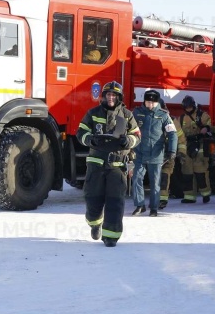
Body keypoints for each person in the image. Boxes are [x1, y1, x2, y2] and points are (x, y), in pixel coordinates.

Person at [76, 81, 141, 247]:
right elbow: (80, 133)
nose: (111, 97)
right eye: (108, 95)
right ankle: (94, 224)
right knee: (92, 200)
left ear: (119, 97)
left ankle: (111, 236)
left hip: (117, 167)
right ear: (103, 96)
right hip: (96, 166)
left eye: (114, 95)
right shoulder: (93, 113)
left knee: (115, 202)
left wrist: (129, 140)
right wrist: (90, 139)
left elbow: (137, 136)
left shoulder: (127, 115)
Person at [131, 89, 177, 217]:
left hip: (155, 154)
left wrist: (172, 150)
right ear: (144, 102)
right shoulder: (137, 113)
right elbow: (128, 128)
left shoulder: (164, 116)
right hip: (139, 153)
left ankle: (154, 208)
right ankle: (140, 205)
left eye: (153, 103)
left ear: (157, 103)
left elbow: (172, 134)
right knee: (137, 179)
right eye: (148, 102)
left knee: (155, 182)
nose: (150, 105)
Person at [178, 95, 214, 204]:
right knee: (187, 172)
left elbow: (212, 124)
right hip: (187, 145)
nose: (188, 109)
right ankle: (189, 196)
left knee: (200, 171)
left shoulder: (201, 115)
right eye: (186, 107)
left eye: (190, 107)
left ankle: (205, 194)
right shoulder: (182, 118)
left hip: (200, 145)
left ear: (193, 105)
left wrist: (206, 128)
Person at [158, 98, 186, 209]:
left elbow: (180, 138)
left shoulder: (172, 120)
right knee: (155, 177)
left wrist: (181, 153)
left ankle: (162, 200)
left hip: (168, 153)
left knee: (165, 176)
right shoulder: (149, 118)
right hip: (153, 154)